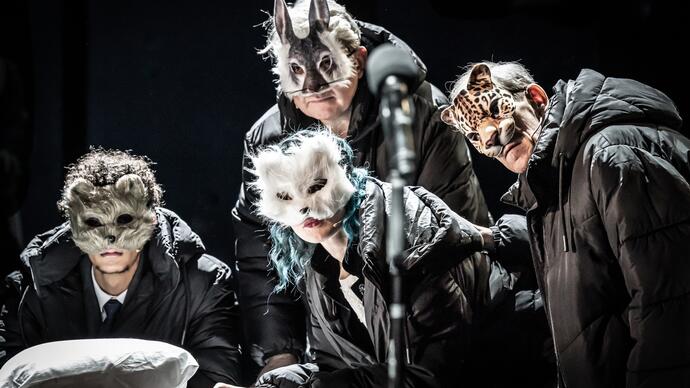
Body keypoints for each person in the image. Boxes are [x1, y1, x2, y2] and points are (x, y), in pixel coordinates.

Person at [232, 0, 490, 377]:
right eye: (297, 70)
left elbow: (450, 234)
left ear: (360, 58)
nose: (313, 86)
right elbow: (261, 253)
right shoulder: (268, 140)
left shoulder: (421, 116)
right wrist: (279, 353)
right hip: (335, 334)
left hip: (430, 322)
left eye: (326, 65)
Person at [441, 61, 690, 388]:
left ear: (536, 98)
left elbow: (671, 309)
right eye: (473, 133)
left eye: (494, 110)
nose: (490, 136)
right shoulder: (554, 187)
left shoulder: (610, 155)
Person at [225, 129, 519, 388]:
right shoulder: (319, 268)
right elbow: (337, 367)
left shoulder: (405, 230)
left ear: (344, 175)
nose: (303, 207)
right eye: (286, 197)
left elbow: (433, 372)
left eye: (315, 187)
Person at [0, 149, 242, 387]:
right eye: (94, 221)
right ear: (74, 223)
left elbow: (216, 375)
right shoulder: (29, 288)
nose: (110, 238)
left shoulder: (202, 283)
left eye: (124, 219)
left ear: (151, 218)